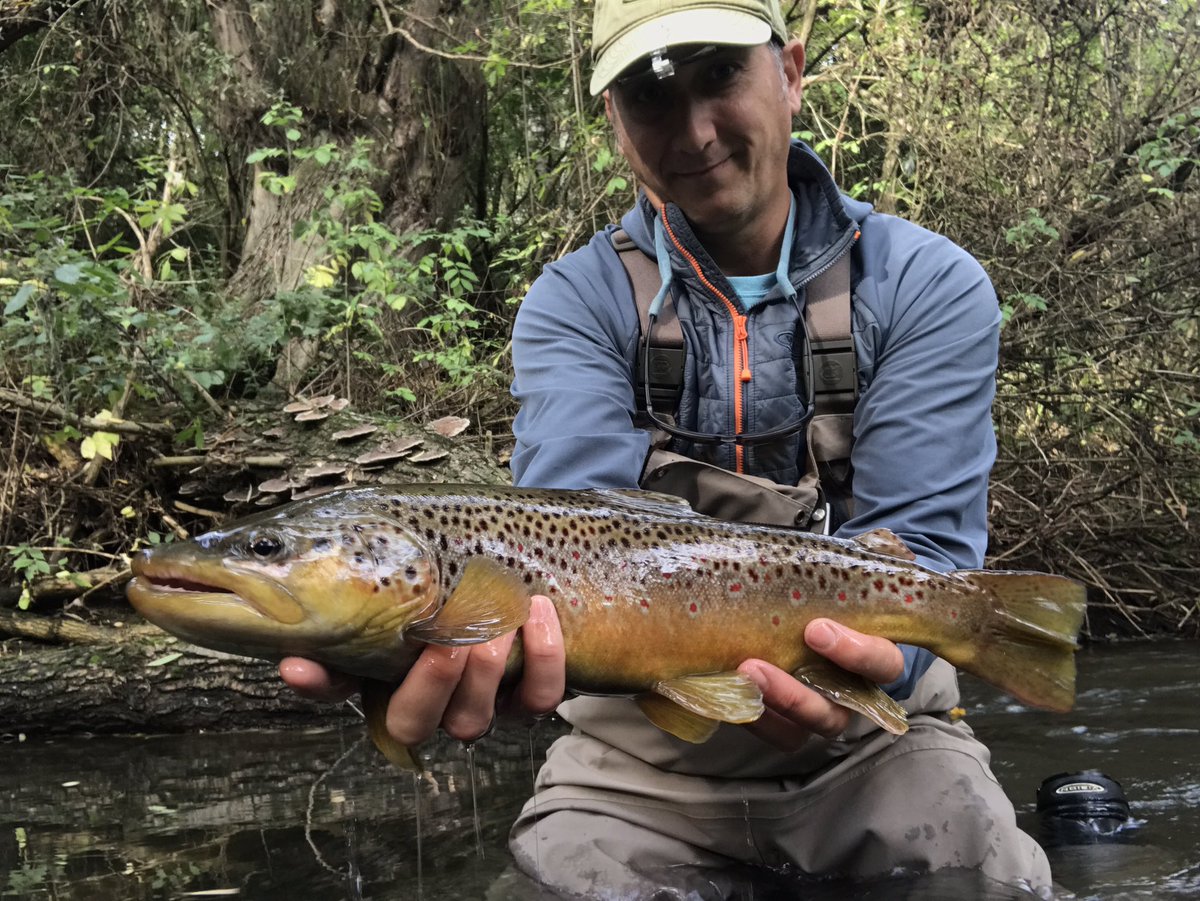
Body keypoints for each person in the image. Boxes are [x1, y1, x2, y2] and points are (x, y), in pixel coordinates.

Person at [282, 0, 1054, 895]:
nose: (693, 130)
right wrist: (399, 641)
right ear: (613, 120)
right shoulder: (574, 303)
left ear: (792, 72)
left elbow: (922, 551)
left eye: (720, 74)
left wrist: (895, 657)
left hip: (877, 748)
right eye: (651, 98)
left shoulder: (927, 285)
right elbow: (557, 536)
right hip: (637, 768)